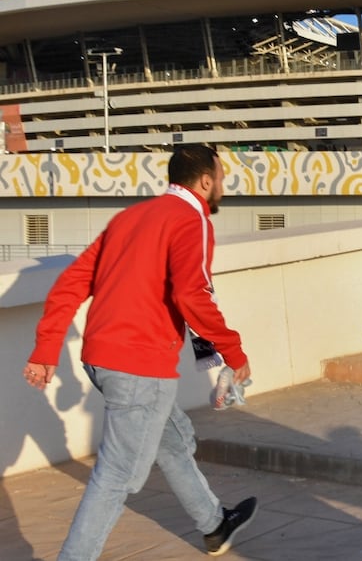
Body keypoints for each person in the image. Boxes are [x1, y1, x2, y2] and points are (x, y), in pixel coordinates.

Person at [24, 144, 257, 560]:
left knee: (170, 443)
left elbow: (70, 284)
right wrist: (233, 353)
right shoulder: (193, 218)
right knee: (116, 476)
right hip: (139, 367)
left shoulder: (129, 217)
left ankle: (214, 525)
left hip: (100, 359)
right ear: (205, 180)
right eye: (221, 178)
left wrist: (46, 351)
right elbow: (192, 293)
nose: (222, 186)